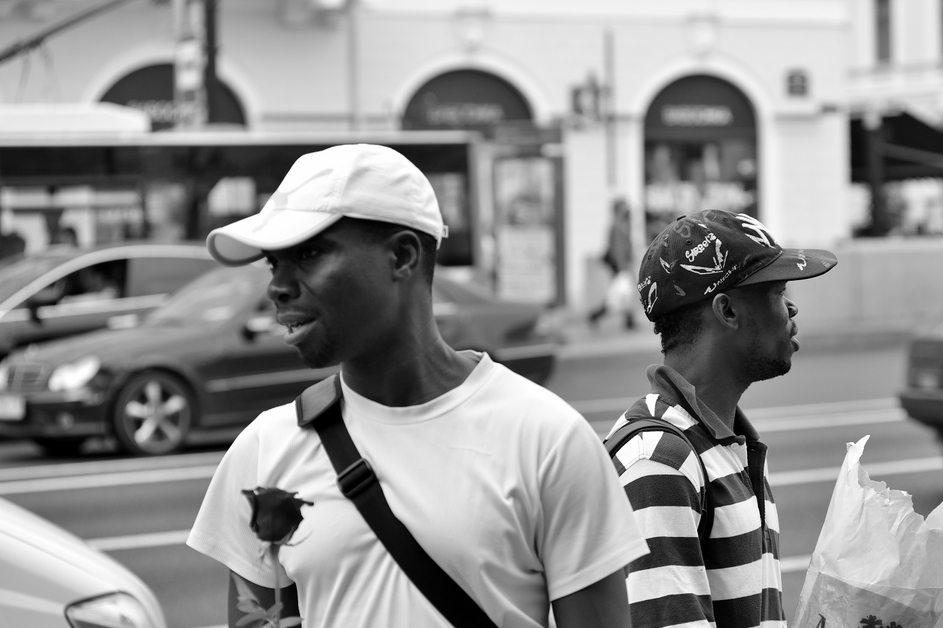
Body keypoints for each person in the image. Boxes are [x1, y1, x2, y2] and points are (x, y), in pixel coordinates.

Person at [188, 144, 648, 628]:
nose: (277, 287)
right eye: (272, 263)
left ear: (402, 256)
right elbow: (257, 620)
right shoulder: (265, 449)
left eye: (307, 254)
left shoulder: (549, 439)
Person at [606, 209, 837, 628]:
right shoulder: (659, 462)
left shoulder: (728, 445)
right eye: (776, 291)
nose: (792, 307)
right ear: (727, 311)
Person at [590, 198, 637, 330]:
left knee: (624, 293)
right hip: (620, 266)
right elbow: (618, 248)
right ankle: (595, 315)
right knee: (618, 295)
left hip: (623, 265)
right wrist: (622, 265)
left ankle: (629, 320)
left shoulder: (624, 225)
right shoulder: (616, 226)